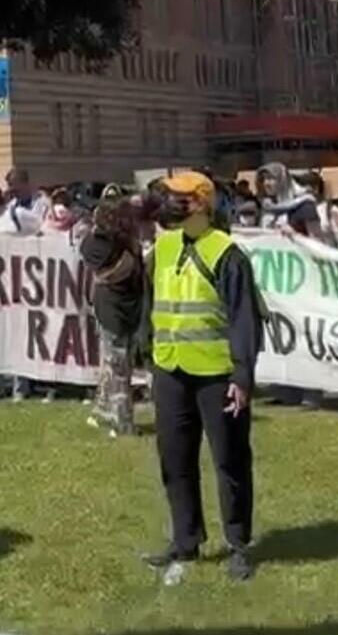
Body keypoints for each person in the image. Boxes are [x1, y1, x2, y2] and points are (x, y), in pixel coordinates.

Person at [143, 172, 263, 583]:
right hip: (170, 369)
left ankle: (238, 543)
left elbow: (244, 319)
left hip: (217, 374)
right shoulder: (161, 247)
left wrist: (242, 376)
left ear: (201, 202)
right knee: (175, 459)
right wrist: (148, 356)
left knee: (229, 459)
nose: (169, 203)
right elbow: (151, 304)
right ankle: (185, 539)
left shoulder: (227, 254)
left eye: (178, 198)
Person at [80, 194, 144, 436]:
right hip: (112, 309)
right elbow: (117, 271)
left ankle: (101, 412)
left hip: (128, 305)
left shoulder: (125, 241)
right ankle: (122, 421)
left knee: (113, 361)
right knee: (119, 364)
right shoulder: (96, 245)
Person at [256, 163, 323, 239]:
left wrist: (295, 235)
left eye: (271, 178)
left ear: (283, 180)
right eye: (263, 179)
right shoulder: (268, 207)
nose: (266, 183)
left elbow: (317, 241)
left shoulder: (305, 206)